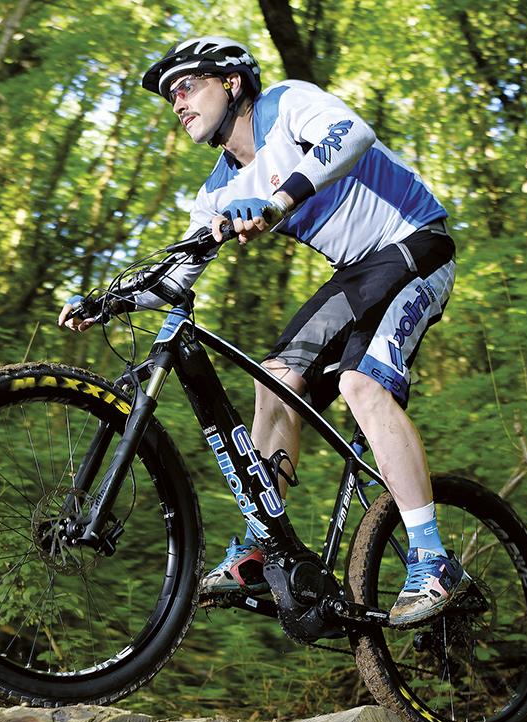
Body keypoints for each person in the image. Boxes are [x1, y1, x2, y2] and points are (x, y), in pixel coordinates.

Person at [59, 36, 465, 627]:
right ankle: (262, 546)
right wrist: (110, 301)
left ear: (231, 83)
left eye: (187, 86)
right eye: (171, 97)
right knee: (275, 380)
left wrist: (278, 201)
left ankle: (435, 561)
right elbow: (177, 272)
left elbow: (352, 133)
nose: (178, 103)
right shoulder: (219, 190)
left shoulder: (287, 103)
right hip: (358, 274)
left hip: (417, 242)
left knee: (360, 384)